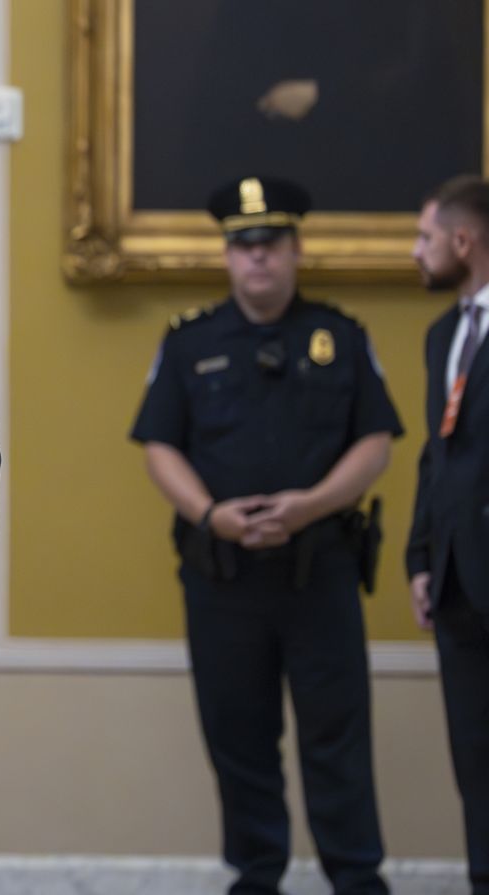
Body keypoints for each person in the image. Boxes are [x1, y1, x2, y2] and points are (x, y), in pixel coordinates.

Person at [132, 176, 396, 895]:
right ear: (227, 254)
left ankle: (357, 875)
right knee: (239, 736)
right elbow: (160, 445)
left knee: (337, 734)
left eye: (271, 244)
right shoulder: (189, 341)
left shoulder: (340, 336)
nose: (258, 259)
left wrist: (311, 504)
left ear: (296, 249)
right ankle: (257, 873)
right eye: (243, 246)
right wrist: (211, 513)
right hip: (224, 577)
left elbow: (377, 441)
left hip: (322, 570)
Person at [410, 174, 489, 895]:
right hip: (460, 580)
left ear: (463, 241)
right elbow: (437, 455)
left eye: (426, 238)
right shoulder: (445, 335)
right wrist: (419, 556)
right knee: (475, 757)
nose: (416, 253)